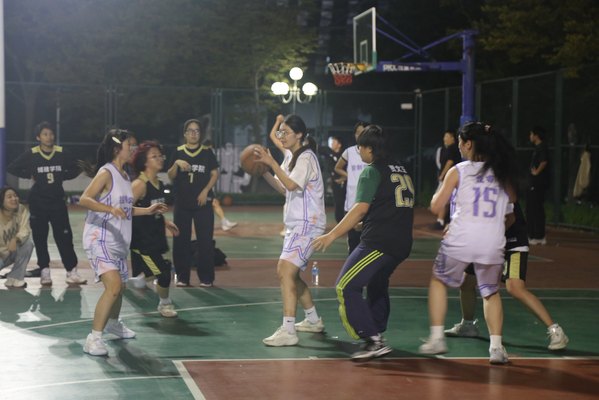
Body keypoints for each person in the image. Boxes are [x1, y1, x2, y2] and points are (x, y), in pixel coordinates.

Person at [419, 122, 518, 365]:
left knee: (439, 281)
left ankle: (436, 339)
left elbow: (436, 205)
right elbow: (512, 208)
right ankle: (496, 348)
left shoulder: (459, 170)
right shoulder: (501, 173)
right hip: (492, 242)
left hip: (461, 238)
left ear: (469, 144)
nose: (459, 147)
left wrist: (438, 196)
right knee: (490, 292)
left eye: (461, 143)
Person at [313, 125, 414, 360]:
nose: (358, 151)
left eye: (360, 146)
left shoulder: (371, 171)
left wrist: (331, 235)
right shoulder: (401, 168)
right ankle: (377, 330)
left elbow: (359, 208)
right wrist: (368, 220)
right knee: (378, 282)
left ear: (370, 148)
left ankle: (372, 339)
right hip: (401, 242)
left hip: (379, 242)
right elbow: (391, 205)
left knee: (345, 285)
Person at [80, 129, 167, 356]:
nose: (133, 149)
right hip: (99, 236)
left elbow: (126, 209)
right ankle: (93, 339)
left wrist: (147, 210)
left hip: (118, 241)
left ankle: (113, 324)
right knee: (114, 286)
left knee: (120, 288)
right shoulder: (106, 172)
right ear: (118, 148)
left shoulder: (126, 176)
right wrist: (109, 209)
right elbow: (85, 199)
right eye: (131, 145)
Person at [444, 201, 569, 350]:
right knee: (467, 282)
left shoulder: (502, 188)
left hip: (513, 243)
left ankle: (556, 331)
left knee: (515, 288)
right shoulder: (472, 190)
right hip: (486, 241)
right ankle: (467, 325)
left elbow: (510, 218)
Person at [254, 114, 326, 347]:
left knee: (284, 270)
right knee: (290, 274)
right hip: (296, 225)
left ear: (299, 134)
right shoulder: (292, 158)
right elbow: (284, 188)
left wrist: (272, 162)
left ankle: (288, 330)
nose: (281, 136)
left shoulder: (306, 157)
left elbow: (293, 184)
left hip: (308, 224)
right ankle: (313, 320)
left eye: (285, 132)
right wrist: (264, 171)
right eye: (280, 132)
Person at [7, 121, 85, 286]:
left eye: (51, 134)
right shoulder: (32, 154)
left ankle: (71, 271)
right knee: (40, 238)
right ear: (38, 137)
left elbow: (78, 166)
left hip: (57, 202)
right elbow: (12, 167)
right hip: (38, 203)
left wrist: (64, 175)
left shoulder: (61, 153)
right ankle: (44, 271)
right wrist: (29, 174)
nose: (49, 137)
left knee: (64, 238)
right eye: (45, 134)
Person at [129, 141, 180, 318]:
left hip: (156, 236)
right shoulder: (139, 184)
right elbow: (123, 210)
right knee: (164, 273)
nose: (159, 159)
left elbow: (154, 209)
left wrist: (165, 222)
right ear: (144, 161)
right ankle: (164, 304)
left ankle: (140, 280)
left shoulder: (159, 183)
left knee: (158, 269)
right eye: (154, 156)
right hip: (142, 241)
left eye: (160, 155)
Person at [168, 119, 219, 287]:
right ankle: (182, 277)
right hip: (182, 203)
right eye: (190, 130)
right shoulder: (178, 152)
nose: (193, 133)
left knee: (205, 241)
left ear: (200, 134)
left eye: (197, 131)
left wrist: (206, 191)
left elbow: (215, 174)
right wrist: (176, 163)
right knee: (180, 240)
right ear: (185, 134)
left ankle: (206, 278)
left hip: (202, 203)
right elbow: (171, 175)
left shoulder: (207, 152)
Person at [334, 121, 368, 253]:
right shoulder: (349, 151)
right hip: (352, 203)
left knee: (368, 242)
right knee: (353, 242)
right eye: (357, 133)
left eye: (363, 132)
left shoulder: (372, 153)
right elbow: (337, 167)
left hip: (368, 203)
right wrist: (349, 175)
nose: (360, 135)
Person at [0, 187, 35, 289]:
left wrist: (16, 239)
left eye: (15, 196)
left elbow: (25, 230)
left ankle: (15, 278)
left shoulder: (21, 209)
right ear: (2, 201)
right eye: (9, 197)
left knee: (28, 243)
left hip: (10, 251)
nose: (14, 199)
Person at [203, 139, 238, 231]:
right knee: (210, 205)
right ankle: (223, 223)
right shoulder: (202, 157)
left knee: (214, 203)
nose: (210, 150)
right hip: (201, 187)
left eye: (211, 148)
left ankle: (224, 222)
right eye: (209, 148)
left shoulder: (209, 157)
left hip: (206, 186)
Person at [433, 130, 461, 230]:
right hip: (453, 178)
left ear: (452, 138)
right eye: (444, 136)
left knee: (441, 199)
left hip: (449, 178)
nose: (445, 138)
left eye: (447, 136)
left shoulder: (451, 149)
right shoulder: (450, 148)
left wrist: (442, 175)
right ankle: (445, 220)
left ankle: (440, 221)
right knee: (450, 200)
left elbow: (449, 162)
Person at [527, 126, 549, 245]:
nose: (530, 136)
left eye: (531, 134)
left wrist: (536, 172)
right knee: (533, 208)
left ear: (536, 135)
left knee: (536, 208)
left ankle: (538, 236)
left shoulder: (542, 147)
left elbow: (544, 161)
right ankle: (535, 235)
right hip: (535, 183)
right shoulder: (538, 148)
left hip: (538, 183)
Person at [321, 135, 346, 223]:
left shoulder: (344, 156)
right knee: (338, 203)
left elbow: (347, 170)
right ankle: (339, 222)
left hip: (346, 183)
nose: (332, 143)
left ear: (339, 145)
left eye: (334, 142)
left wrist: (344, 178)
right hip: (335, 183)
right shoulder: (329, 153)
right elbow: (320, 149)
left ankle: (348, 222)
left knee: (345, 202)